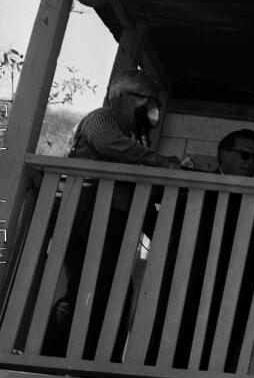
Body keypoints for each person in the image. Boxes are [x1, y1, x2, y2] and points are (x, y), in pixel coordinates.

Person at [45, 69, 189, 356]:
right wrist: (163, 163)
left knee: (116, 294)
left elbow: (141, 187)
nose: (152, 111)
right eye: (148, 101)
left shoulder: (134, 137)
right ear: (122, 98)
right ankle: (52, 354)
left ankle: (98, 361)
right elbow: (113, 148)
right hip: (89, 218)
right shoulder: (102, 118)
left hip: (115, 224)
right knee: (86, 289)